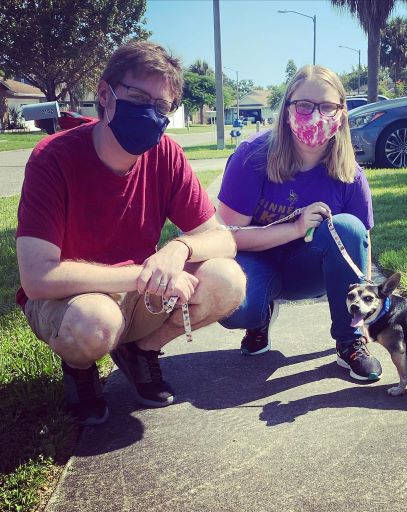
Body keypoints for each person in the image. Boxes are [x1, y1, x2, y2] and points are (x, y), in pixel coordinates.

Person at [16, 41, 246, 426]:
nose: (150, 114)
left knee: (228, 279)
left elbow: (223, 239)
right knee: (95, 320)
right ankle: (79, 368)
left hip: (137, 296)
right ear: (105, 95)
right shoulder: (53, 158)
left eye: (162, 106)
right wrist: (143, 276)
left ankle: (141, 351)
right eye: (139, 98)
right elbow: (37, 277)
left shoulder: (166, 155)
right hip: (70, 301)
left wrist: (179, 248)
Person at [217, 65, 382, 382]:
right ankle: (259, 315)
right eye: (304, 105)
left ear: (341, 114)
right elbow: (225, 237)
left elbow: (360, 246)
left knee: (348, 227)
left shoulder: (350, 176)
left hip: (308, 271)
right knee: (233, 307)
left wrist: (361, 317)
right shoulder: (252, 157)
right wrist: (294, 228)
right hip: (256, 262)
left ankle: (349, 342)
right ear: (287, 109)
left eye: (327, 107)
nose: (315, 116)